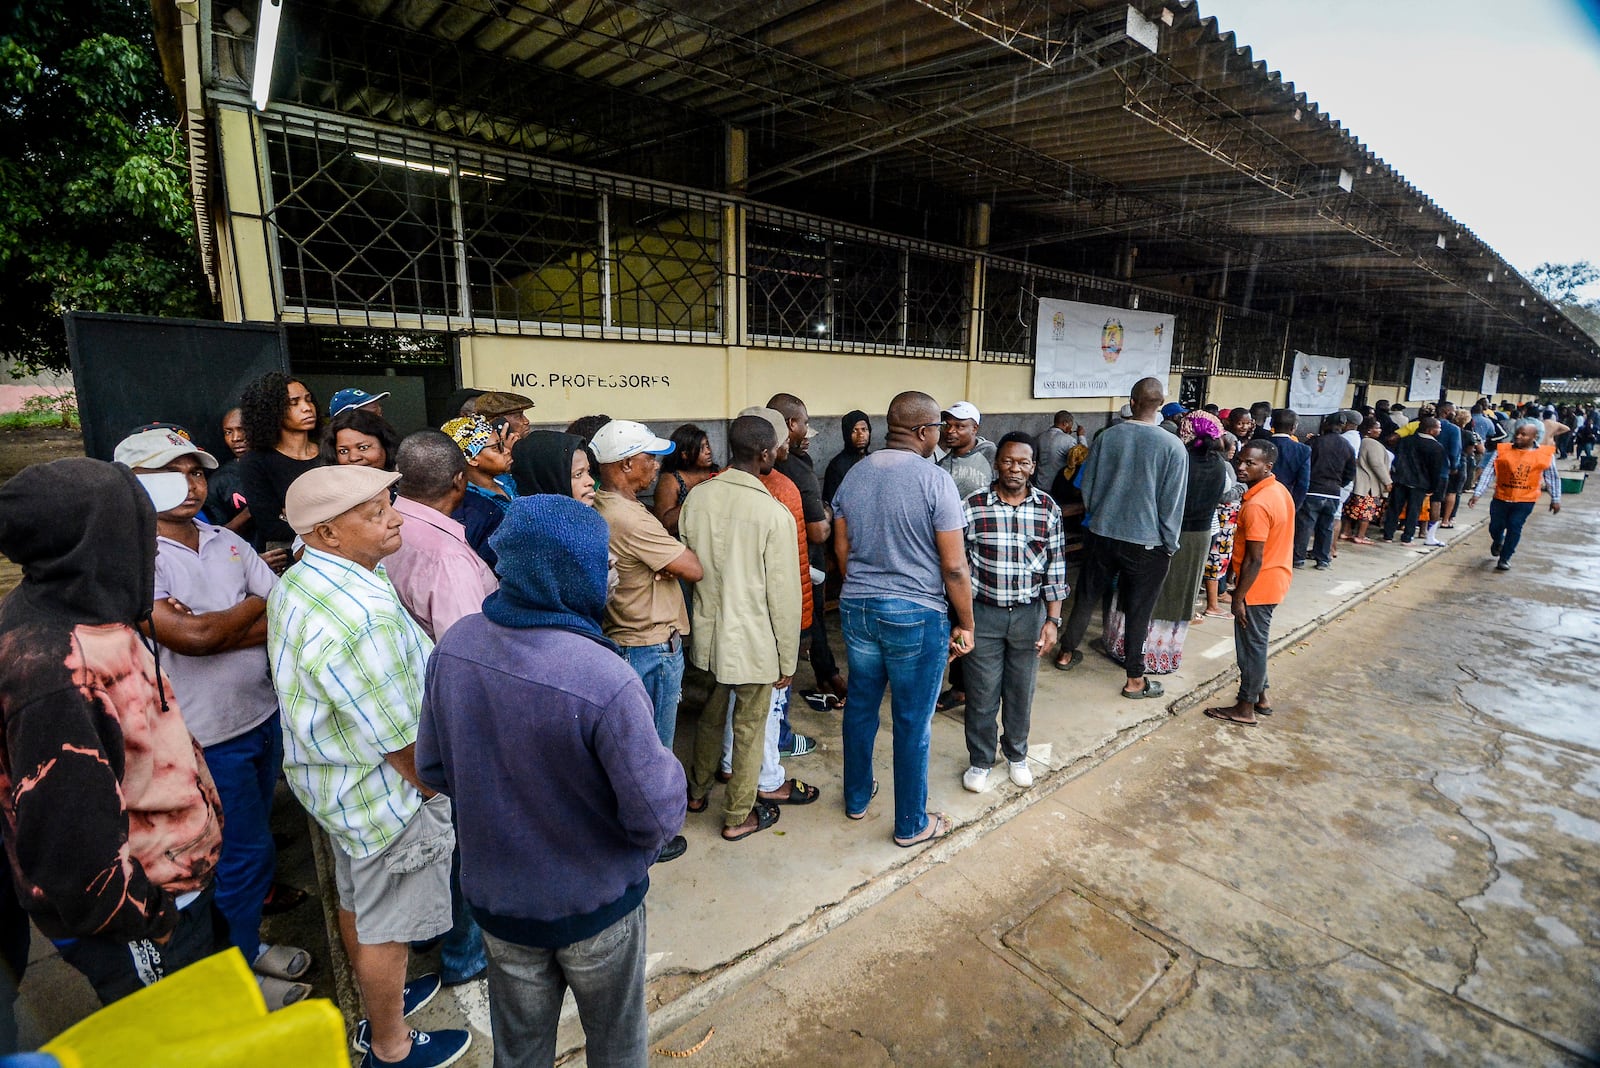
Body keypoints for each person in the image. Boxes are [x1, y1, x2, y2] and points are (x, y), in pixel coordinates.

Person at [417, 496, 686, 1068]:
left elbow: (434, 770)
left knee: (519, 1049)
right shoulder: (603, 676)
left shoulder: (456, 645)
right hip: (597, 907)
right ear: (573, 570)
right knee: (617, 1044)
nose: (611, 573)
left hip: (499, 903)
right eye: (603, 561)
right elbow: (657, 816)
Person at [0, 459, 224, 1005]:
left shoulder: (89, 607)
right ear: (93, 543)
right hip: (138, 922)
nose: (151, 546)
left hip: (174, 885)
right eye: (138, 531)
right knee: (178, 1043)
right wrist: (153, 921)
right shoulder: (52, 671)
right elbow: (68, 843)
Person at [267, 465, 469, 1068]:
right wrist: (440, 793)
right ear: (327, 532)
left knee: (358, 902)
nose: (396, 519)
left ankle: (380, 1000)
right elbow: (402, 741)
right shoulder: (360, 617)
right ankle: (389, 1044)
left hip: (338, 789)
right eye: (376, 513)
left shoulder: (307, 579)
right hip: (386, 798)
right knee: (388, 923)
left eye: (390, 504)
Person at [117, 427, 313, 1007]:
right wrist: (243, 614)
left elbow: (285, 610)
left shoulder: (224, 542)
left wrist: (215, 622)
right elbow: (192, 638)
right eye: (172, 473)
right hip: (203, 737)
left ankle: (243, 948)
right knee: (236, 854)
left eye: (198, 472)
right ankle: (234, 974)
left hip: (260, 716)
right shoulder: (135, 557)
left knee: (252, 851)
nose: (192, 484)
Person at [832, 391, 973, 848]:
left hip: (858, 607)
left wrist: (860, 587)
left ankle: (856, 798)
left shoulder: (854, 475)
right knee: (912, 720)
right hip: (915, 613)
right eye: (936, 429)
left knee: (860, 706)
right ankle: (912, 823)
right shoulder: (935, 481)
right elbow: (954, 566)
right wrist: (966, 622)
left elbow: (842, 549)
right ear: (921, 431)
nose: (940, 436)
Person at [382, 431, 497, 990]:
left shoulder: (389, 528)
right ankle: (464, 954)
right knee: (463, 843)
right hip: (446, 717)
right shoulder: (448, 556)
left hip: (407, 713)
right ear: (458, 481)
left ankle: (427, 932)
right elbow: (468, 655)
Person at [682, 415, 806, 841]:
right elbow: (785, 599)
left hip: (708, 637)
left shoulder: (696, 499)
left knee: (710, 718)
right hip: (753, 646)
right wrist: (787, 659)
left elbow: (690, 566)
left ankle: (696, 794)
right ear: (767, 454)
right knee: (749, 732)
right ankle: (737, 816)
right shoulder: (773, 515)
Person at [1055, 377, 1187, 699]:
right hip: (1147, 543)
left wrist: (1100, 516)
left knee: (1086, 595)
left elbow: (1087, 485)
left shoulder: (1107, 437)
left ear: (1132, 400)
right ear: (1160, 403)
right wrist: (1169, 544)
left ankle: (1066, 652)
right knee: (1139, 609)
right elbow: (1172, 504)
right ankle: (1135, 679)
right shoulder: (1173, 447)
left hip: (1101, 533)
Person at [959, 432, 1067, 794]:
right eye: (1008, 461)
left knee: (1021, 691)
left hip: (1028, 616)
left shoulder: (1048, 509)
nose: (1015, 468)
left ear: (1033, 466)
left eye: (1023, 462)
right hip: (983, 615)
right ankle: (980, 760)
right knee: (982, 693)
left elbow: (1055, 570)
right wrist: (960, 620)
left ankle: (1017, 755)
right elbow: (956, 566)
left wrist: (1052, 620)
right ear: (996, 463)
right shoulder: (973, 506)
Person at [592, 420, 703, 756]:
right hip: (648, 646)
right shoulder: (630, 518)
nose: (657, 466)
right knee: (653, 753)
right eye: (650, 458)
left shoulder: (602, 502)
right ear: (626, 464)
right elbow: (693, 568)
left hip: (627, 638)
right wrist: (669, 562)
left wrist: (663, 561)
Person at [1105, 411, 1228, 671]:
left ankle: (1131, 651)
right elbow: (1225, 494)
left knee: (1145, 591)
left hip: (1165, 533)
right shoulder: (1220, 465)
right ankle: (1164, 656)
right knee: (1180, 593)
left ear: (1186, 431)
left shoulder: (1178, 458)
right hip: (1199, 538)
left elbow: (1163, 499)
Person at [1203, 439, 1295, 728]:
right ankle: (1262, 697)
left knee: (1251, 648)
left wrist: (1239, 596)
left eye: (1249, 463)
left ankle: (1245, 707)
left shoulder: (1257, 505)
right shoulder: (1279, 491)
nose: (1241, 467)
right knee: (1256, 644)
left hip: (1259, 585)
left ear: (1267, 466)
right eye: (1240, 461)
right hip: (1274, 578)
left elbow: (1255, 559)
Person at [769, 392, 847, 715]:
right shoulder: (796, 471)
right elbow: (817, 531)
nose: (808, 432)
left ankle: (826, 675)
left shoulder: (758, 464)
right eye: (805, 424)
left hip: (771, 567)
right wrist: (827, 517)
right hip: (803, 566)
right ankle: (782, 728)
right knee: (805, 627)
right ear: (790, 425)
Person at [237, 371, 322, 553]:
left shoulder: (329, 451)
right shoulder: (255, 462)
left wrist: (294, 516)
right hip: (288, 558)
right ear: (271, 410)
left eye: (308, 399)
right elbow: (271, 525)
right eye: (294, 403)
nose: (307, 407)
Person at [1469, 418, 1562, 572]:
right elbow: (1489, 472)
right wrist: (1478, 493)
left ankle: (1505, 558)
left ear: (1534, 437)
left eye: (1523, 434)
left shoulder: (1544, 455)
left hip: (1525, 500)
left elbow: (1552, 477)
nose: (1518, 437)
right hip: (1501, 497)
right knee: (1495, 527)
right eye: (1517, 433)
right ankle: (1498, 540)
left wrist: (1555, 498)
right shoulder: (1503, 450)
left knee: (1514, 526)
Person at [445, 415, 514, 570]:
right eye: (497, 448)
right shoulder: (471, 504)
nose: (507, 451)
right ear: (472, 458)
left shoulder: (507, 482)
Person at [1294, 416, 1357, 571]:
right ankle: (1322, 559)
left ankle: (1298, 559)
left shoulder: (1315, 443)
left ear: (1326, 424)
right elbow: (1350, 472)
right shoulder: (1347, 446)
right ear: (1342, 427)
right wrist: (1339, 484)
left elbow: (1303, 465)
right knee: (1326, 527)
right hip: (1334, 492)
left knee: (1305, 526)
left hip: (1313, 491)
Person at [1382, 416, 1447, 545]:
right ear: (1430, 430)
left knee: (1395, 507)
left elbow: (1397, 459)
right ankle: (1407, 537)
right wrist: (1433, 487)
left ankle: (1388, 535)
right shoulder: (1436, 447)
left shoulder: (1406, 441)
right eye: (1438, 428)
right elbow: (1435, 470)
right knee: (1414, 510)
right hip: (1421, 484)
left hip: (1401, 480)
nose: (1440, 430)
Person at [1200, 432, 1243, 619]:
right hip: (1220, 519)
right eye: (1230, 444)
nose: (1234, 448)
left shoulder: (1219, 464)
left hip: (1220, 521)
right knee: (1215, 560)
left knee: (1216, 560)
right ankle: (1212, 604)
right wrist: (1242, 488)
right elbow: (1224, 495)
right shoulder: (1220, 465)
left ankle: (1216, 596)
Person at [651, 423, 719, 536]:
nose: (708, 451)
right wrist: (700, 496)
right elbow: (664, 524)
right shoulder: (671, 480)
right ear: (685, 455)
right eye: (701, 448)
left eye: (707, 445)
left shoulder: (715, 471)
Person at [1339, 417, 1391, 545]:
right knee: (1367, 512)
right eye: (1377, 428)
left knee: (1351, 510)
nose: (1380, 430)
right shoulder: (1372, 444)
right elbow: (1377, 464)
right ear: (1368, 430)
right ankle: (1360, 535)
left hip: (1358, 483)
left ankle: (1346, 532)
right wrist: (1387, 481)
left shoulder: (1359, 441)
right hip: (1369, 485)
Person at [935, 400, 995, 499]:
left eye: (959, 426)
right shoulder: (941, 465)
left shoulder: (991, 455)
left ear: (974, 428)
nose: (950, 431)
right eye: (947, 425)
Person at [206, 406, 252, 533]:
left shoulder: (279, 466)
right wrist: (249, 511)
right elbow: (217, 535)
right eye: (228, 432)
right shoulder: (219, 481)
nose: (236, 438)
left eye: (243, 429)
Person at [320, 406, 401, 471]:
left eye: (363, 448)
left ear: (385, 445)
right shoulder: (326, 490)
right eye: (343, 451)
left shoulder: (407, 487)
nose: (353, 458)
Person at [822, 410, 872, 505]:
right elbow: (832, 502)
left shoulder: (873, 460)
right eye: (854, 430)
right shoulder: (837, 466)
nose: (860, 435)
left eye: (864, 429)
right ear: (846, 434)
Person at [1268, 410, 1311, 509]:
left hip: (1259, 496)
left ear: (1271, 424)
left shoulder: (1260, 444)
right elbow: (1303, 484)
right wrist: (1294, 507)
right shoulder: (1303, 450)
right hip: (1286, 499)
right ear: (1293, 428)